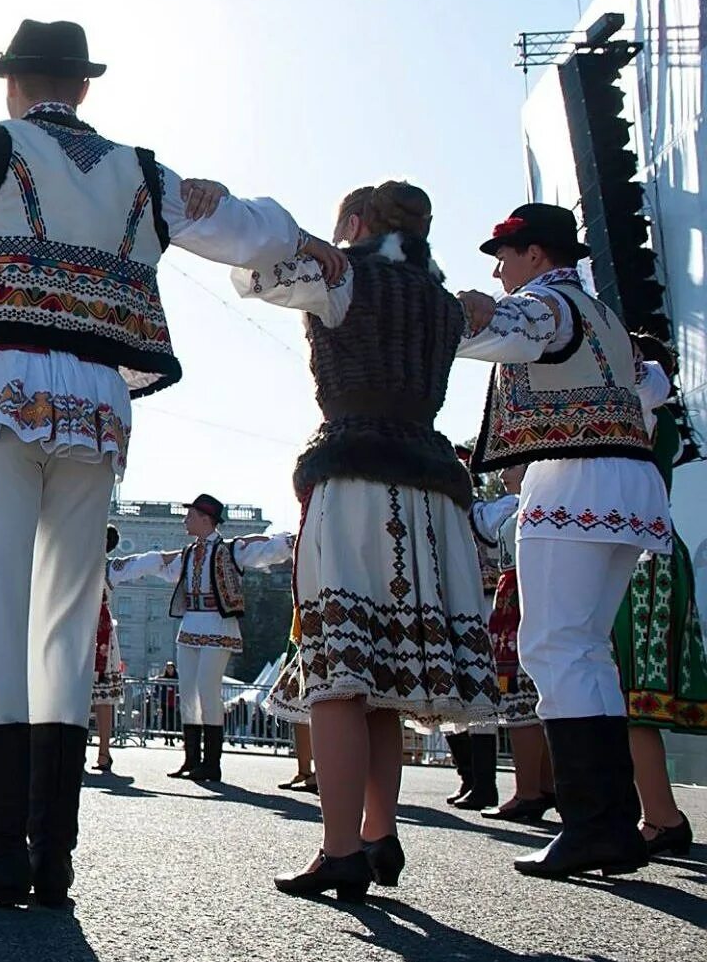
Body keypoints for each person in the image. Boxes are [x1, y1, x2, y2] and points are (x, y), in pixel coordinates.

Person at [0, 18, 326, 908]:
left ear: (14, 84)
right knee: (66, 616)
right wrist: (317, 251)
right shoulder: (145, 171)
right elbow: (245, 226)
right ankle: (52, 854)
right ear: (84, 88)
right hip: (97, 398)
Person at [233, 181, 500, 901]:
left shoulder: (343, 277)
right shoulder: (442, 303)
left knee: (340, 670)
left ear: (354, 223)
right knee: (383, 678)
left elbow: (248, 277)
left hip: (354, 479)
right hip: (428, 488)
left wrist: (309, 251)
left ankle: (341, 848)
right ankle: (379, 832)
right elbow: (497, 324)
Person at [455, 202, 672, 878]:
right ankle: (610, 823)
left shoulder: (549, 302)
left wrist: (459, 316)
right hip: (627, 481)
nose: (498, 271)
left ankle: (593, 824)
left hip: (574, 480)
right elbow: (653, 385)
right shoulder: (605, 316)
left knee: (551, 644)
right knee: (586, 650)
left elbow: (517, 328)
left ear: (537, 256)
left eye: (505, 257)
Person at [108, 496, 295, 784]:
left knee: (208, 688)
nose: (185, 521)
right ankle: (192, 758)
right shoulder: (188, 554)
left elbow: (267, 548)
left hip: (218, 624)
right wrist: (116, 570)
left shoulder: (231, 550)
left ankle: (212, 763)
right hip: (191, 623)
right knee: (188, 691)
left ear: (206, 519)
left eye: (190, 515)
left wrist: (294, 540)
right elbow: (156, 563)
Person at [611, 334, 701, 859]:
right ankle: (654, 810)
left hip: (643, 554)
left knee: (632, 692)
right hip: (652, 547)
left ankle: (661, 815)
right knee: (628, 690)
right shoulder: (658, 419)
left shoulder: (646, 411)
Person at [475, 465, 551, 823]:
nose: (504, 471)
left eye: (513, 463)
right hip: (513, 600)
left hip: (526, 599)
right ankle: (544, 785)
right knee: (528, 698)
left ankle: (529, 791)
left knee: (525, 698)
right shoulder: (515, 505)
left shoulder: (534, 503)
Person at [90, 526, 124, 774]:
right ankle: (76, 748)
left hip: (100, 633)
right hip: (78, 630)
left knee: (103, 698)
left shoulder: (109, 567)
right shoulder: (76, 562)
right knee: (77, 696)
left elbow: (141, 564)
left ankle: (104, 751)